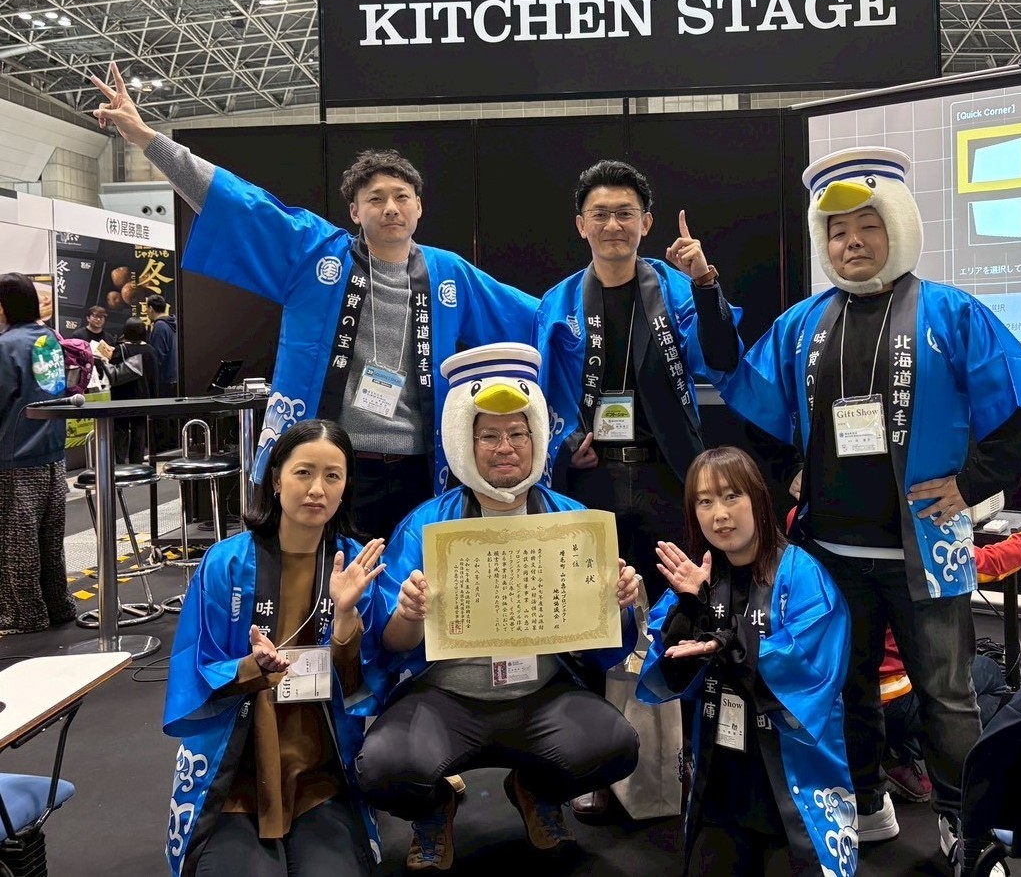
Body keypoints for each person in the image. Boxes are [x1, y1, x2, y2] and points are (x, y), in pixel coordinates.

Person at [716, 146, 1021, 868]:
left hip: (927, 547)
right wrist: (788, 473)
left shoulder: (951, 312)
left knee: (949, 695)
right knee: (848, 688)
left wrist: (971, 482)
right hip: (830, 553)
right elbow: (754, 404)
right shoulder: (803, 323)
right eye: (837, 231)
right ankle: (866, 802)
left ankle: (966, 830)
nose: (852, 243)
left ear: (897, 226)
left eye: (867, 226)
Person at [92, 61, 538, 541]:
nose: (391, 207)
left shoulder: (450, 273)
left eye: (402, 196)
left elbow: (538, 318)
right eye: (376, 198)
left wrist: (595, 303)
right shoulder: (315, 253)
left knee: (414, 578)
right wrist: (146, 139)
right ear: (355, 210)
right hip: (330, 464)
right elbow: (233, 201)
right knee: (324, 575)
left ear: (419, 206)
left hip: (422, 466)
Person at [355, 343, 641, 872]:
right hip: (446, 697)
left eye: (517, 434)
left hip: (541, 694)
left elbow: (603, 646)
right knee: (382, 766)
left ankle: (535, 789)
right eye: (488, 435)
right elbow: (388, 644)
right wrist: (409, 615)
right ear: (463, 441)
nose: (504, 447)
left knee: (614, 746)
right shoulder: (426, 525)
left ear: (538, 438)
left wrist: (620, 604)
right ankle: (435, 807)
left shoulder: (573, 521)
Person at [163, 418, 389, 877]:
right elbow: (197, 667)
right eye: (303, 472)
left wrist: (346, 618)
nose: (317, 489)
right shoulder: (226, 563)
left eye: (332, 476)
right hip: (234, 771)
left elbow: (365, 681)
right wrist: (251, 667)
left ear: (345, 487)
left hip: (318, 769)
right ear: (276, 479)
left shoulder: (353, 563)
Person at [637, 446, 856, 877]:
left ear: (758, 497)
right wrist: (691, 610)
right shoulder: (698, 578)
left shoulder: (801, 574)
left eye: (731, 496)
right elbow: (663, 668)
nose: (720, 514)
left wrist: (728, 644)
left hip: (796, 787)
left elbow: (812, 669)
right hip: (722, 786)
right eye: (704, 501)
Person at [534, 159, 743, 605]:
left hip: (666, 472)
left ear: (645, 224)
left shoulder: (676, 289)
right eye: (600, 214)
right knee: (590, 601)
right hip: (591, 477)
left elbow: (722, 358)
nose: (613, 225)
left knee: (680, 598)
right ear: (581, 226)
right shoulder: (559, 303)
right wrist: (565, 447)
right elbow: (542, 390)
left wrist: (704, 281)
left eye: (625, 213)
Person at [881, 524, 1021, 803]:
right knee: (989, 676)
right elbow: (984, 565)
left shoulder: (820, 535)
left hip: (847, 690)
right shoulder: (918, 543)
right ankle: (935, 757)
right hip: (899, 694)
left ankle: (889, 752)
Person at [0, 272, 76, 635]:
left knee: (16, 543)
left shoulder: (6, 345)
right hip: (51, 454)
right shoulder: (47, 339)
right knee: (48, 540)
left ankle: (24, 615)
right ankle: (58, 604)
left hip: (14, 455)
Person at [108, 316, 159, 463]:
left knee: (120, 429)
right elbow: (154, 376)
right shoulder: (150, 350)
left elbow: (113, 371)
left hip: (121, 396)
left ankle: (119, 463)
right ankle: (137, 463)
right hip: (143, 397)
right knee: (139, 430)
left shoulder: (120, 349)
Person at [147, 294, 178, 396]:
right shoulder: (173, 323)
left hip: (164, 380)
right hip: (175, 377)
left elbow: (157, 356)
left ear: (151, 309)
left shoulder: (160, 326)